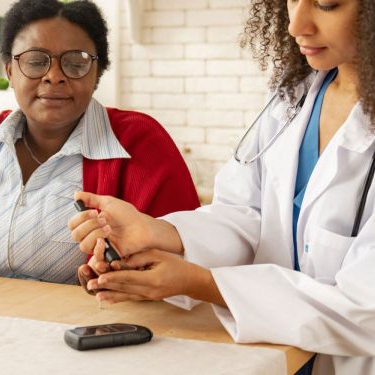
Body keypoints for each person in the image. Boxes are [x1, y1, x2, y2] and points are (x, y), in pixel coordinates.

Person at [69, 1, 375, 374]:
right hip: (278, 358)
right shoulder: (292, 95)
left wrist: (201, 283)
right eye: (291, 0)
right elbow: (245, 214)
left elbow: (365, 310)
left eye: (327, 4)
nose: (296, 25)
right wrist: (156, 233)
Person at [0, 0, 199, 308]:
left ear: (96, 74)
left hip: (92, 336)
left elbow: (190, 253)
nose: (54, 75)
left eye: (75, 62)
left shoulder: (140, 143)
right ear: (9, 71)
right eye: (34, 60)